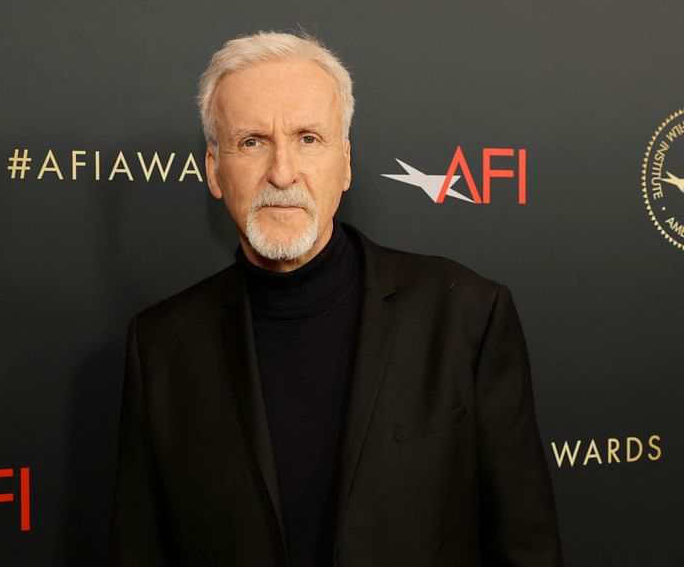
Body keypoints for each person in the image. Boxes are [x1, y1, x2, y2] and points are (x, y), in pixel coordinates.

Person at [110, 30, 564, 567]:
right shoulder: (161, 346)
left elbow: (526, 547)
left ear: (345, 163)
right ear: (214, 169)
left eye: (308, 138)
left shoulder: (466, 315)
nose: (281, 172)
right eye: (252, 141)